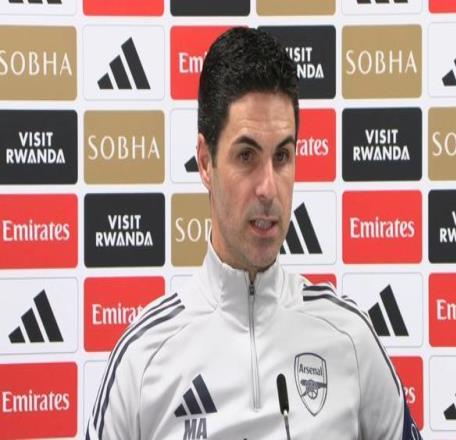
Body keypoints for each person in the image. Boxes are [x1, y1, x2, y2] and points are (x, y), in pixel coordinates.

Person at [86, 27, 422, 440]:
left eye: (282, 156)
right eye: (246, 156)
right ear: (205, 162)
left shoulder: (350, 338)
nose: (268, 188)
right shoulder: (143, 359)